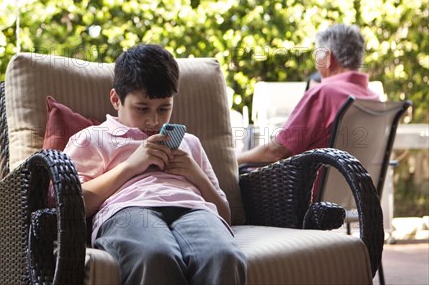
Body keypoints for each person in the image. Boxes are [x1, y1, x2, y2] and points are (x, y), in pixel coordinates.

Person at [64, 44, 247, 285]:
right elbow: (73, 205)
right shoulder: (92, 138)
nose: (154, 120)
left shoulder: (189, 143)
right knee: (155, 255)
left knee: (223, 256)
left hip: (194, 211)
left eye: (164, 108)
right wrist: (131, 166)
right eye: (142, 109)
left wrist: (194, 173)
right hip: (127, 212)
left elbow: (225, 214)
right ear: (116, 99)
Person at [237, 24, 379, 165]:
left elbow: (275, 152)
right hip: (357, 187)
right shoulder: (374, 99)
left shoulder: (325, 94)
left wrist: (236, 159)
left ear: (328, 57)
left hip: (311, 186)